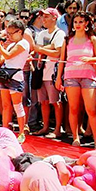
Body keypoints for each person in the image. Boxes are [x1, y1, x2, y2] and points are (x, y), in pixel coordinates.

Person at [55, 12, 96, 148]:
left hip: (88, 76)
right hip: (71, 76)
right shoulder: (67, 40)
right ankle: (75, 138)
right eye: (75, 22)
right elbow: (62, 60)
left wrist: (90, 60)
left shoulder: (92, 39)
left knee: (91, 110)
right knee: (73, 108)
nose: (78, 24)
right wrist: (58, 78)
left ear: (86, 23)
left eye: (81, 22)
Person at [0, 19, 31, 141]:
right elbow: (1, 60)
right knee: (5, 105)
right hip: (6, 74)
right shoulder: (11, 44)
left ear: (19, 32)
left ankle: (21, 132)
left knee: (17, 105)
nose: (8, 36)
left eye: (11, 33)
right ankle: (5, 130)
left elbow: (8, 55)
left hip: (15, 76)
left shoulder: (23, 43)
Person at [34, 8, 66, 138]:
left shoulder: (60, 34)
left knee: (56, 101)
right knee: (43, 101)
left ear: (54, 18)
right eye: (43, 16)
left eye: (46, 16)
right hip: (41, 72)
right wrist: (49, 47)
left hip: (53, 72)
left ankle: (58, 129)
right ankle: (45, 126)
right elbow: (38, 49)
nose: (43, 19)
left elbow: (58, 53)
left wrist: (43, 49)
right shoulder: (42, 34)